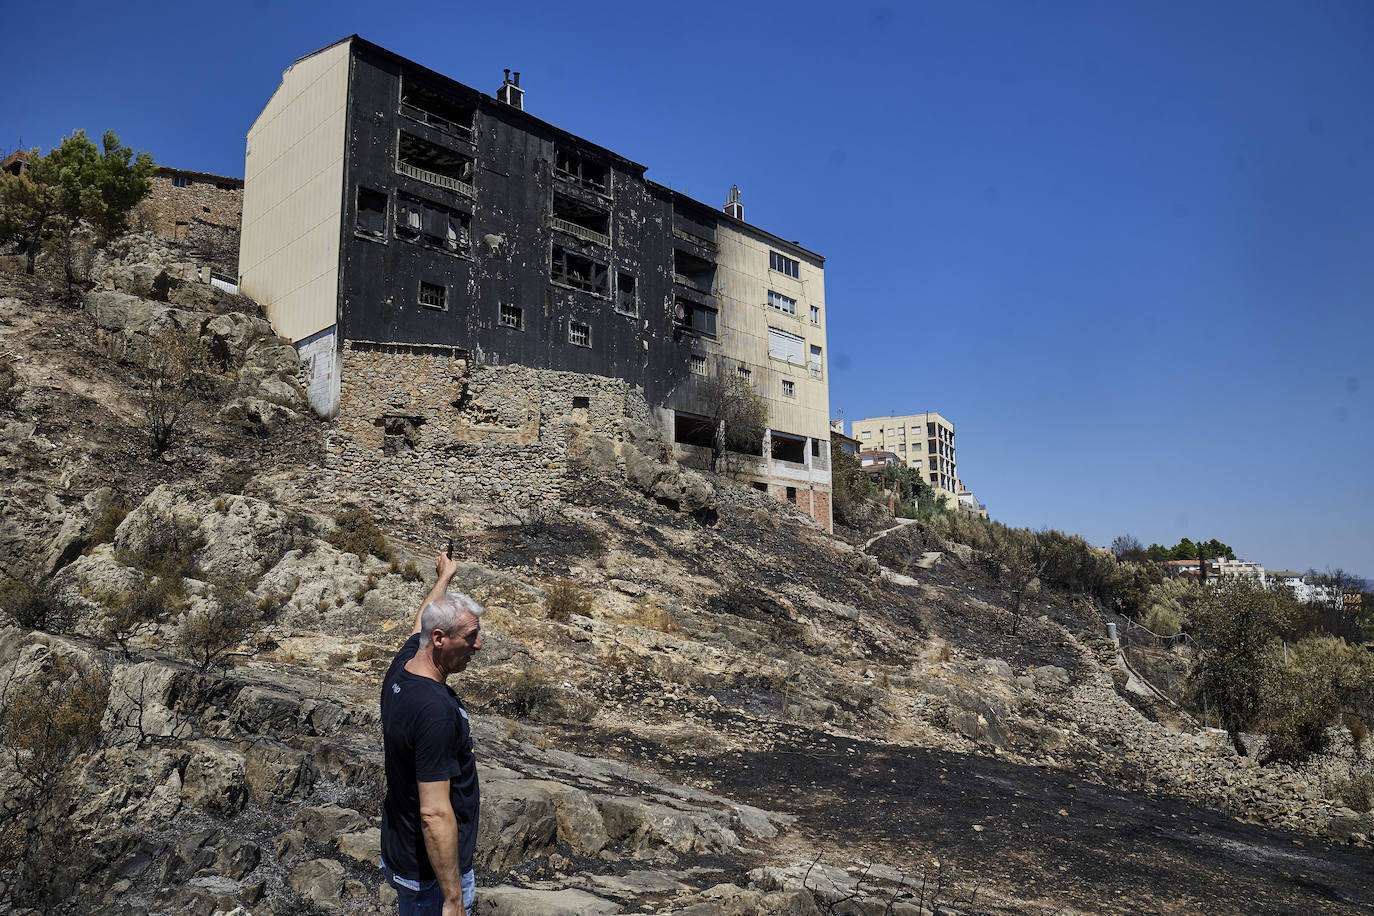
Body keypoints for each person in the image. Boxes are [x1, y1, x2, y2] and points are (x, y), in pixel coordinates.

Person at [380, 551, 483, 916]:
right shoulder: (435, 713)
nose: (477, 646)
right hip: (432, 877)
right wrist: (453, 899)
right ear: (439, 639)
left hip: (404, 852)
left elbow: (417, 626)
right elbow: (434, 814)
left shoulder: (402, 670)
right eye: (470, 637)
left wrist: (443, 578)